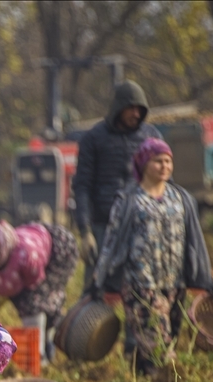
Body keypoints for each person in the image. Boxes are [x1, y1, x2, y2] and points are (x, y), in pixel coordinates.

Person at [91, 139, 213, 376]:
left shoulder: (181, 198)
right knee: (159, 340)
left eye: (168, 161)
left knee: (168, 336)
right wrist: (98, 279)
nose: (164, 166)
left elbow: (195, 240)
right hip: (141, 285)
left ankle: (142, 379)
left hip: (174, 282)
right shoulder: (129, 201)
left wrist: (205, 276)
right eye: (158, 161)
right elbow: (111, 241)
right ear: (143, 164)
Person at [73, 80, 164, 291]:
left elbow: (164, 181)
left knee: (143, 290)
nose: (136, 114)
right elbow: (82, 186)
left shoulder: (151, 137)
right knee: (96, 290)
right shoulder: (93, 139)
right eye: (130, 108)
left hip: (142, 226)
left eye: (139, 109)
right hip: (103, 227)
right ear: (118, 108)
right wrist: (85, 232)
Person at [0, 218, 77, 361]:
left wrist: (7, 295)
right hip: (29, 258)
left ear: (3, 251)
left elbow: (35, 286)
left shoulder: (26, 256)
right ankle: (41, 350)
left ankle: (43, 350)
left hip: (56, 249)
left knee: (36, 305)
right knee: (28, 305)